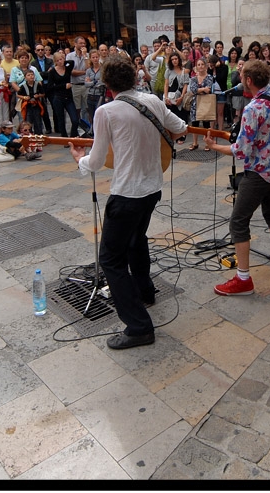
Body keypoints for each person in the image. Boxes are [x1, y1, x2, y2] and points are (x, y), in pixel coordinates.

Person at [70, 56, 188, 349]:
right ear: (135, 78)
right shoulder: (153, 102)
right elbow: (182, 127)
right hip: (151, 189)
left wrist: (79, 159)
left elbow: (96, 161)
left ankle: (138, 327)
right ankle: (145, 292)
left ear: (106, 83)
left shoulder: (106, 112)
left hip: (126, 194)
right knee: (137, 240)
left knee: (111, 259)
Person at [205, 59, 270, 294]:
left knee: (238, 222)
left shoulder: (252, 109)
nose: (239, 80)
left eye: (242, 76)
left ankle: (243, 279)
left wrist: (214, 147)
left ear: (249, 80)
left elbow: (241, 151)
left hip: (259, 172)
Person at [45, 51, 80, 142]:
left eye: (62, 59)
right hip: (58, 97)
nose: (60, 62)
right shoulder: (52, 72)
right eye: (58, 60)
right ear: (55, 61)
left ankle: (72, 136)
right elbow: (50, 87)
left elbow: (72, 62)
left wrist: (65, 60)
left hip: (68, 97)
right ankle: (64, 138)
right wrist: (64, 86)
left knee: (75, 119)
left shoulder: (67, 68)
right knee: (61, 120)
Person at [186, 57, 220, 150]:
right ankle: (195, 143)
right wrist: (202, 89)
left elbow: (208, 90)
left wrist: (199, 90)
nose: (200, 66)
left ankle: (207, 143)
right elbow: (192, 90)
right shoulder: (193, 78)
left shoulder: (210, 77)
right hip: (195, 103)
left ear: (205, 66)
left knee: (206, 123)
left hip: (206, 103)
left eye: (202, 64)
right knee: (194, 124)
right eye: (198, 65)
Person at [163, 52, 190, 128]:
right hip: (170, 97)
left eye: (176, 59)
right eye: (172, 59)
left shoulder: (184, 71)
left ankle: (181, 138)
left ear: (179, 60)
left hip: (181, 96)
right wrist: (166, 97)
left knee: (182, 117)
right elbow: (166, 84)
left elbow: (185, 85)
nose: (174, 61)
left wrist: (181, 97)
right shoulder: (168, 71)